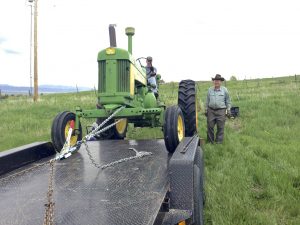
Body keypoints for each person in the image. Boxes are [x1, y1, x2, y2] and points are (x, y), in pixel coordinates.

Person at [205, 74, 231, 144]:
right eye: (215, 80)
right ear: (213, 81)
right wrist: (206, 109)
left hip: (221, 111)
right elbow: (207, 100)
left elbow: (228, 101)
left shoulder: (225, 90)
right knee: (210, 126)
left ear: (221, 82)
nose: (216, 82)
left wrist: (228, 110)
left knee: (220, 127)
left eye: (218, 81)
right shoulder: (210, 90)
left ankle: (218, 142)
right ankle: (210, 141)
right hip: (211, 110)